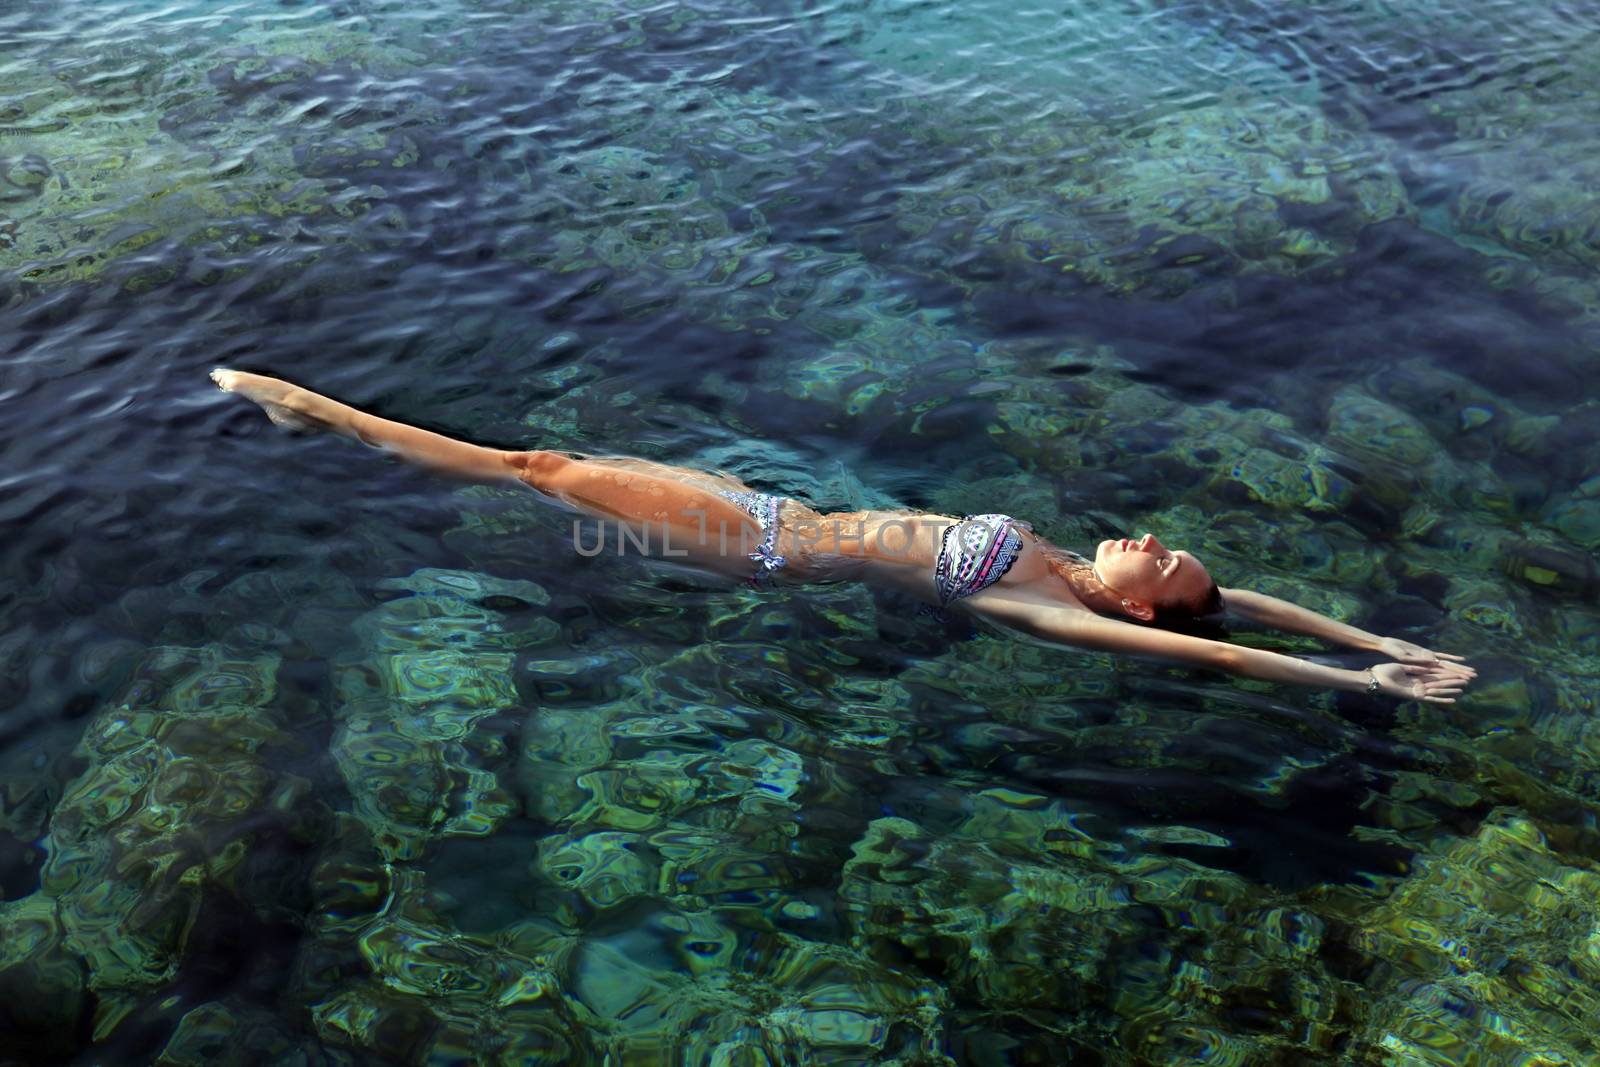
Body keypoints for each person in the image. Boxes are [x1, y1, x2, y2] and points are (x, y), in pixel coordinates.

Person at [209, 369, 1475, 704]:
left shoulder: (1049, 608)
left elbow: (1222, 651)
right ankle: (318, 423)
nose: (1159, 537)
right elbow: (1241, 607)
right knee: (557, 460)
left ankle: (312, 410)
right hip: (767, 510)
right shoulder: (1092, 568)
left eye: (1168, 558)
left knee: (534, 466)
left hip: (759, 546)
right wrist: (1375, 634)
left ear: (1139, 606)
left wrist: (1355, 687)